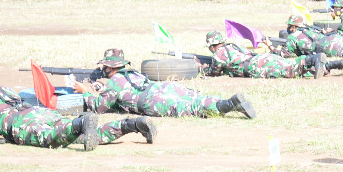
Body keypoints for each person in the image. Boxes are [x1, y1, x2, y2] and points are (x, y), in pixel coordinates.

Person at [0, 68, 155, 149]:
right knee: (82, 135)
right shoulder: (1, 88)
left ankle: (81, 122)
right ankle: (131, 124)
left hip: (22, 123)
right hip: (39, 112)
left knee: (50, 138)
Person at [76, 48, 255, 119]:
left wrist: (85, 91)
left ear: (110, 67)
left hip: (154, 100)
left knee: (191, 108)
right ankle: (225, 102)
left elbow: (99, 108)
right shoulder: (132, 73)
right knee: (197, 98)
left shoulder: (115, 82)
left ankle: (228, 105)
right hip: (164, 87)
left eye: (105, 67)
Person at [207, 31, 341, 77]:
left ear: (212, 46)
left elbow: (214, 72)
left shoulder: (219, 54)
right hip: (262, 59)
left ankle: (312, 59)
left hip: (257, 66)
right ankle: (330, 65)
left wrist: (204, 69)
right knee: (291, 69)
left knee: (289, 70)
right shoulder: (233, 46)